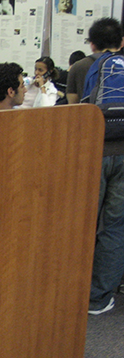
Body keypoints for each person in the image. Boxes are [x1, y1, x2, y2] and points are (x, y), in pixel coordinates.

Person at [75, 18, 124, 314]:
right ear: (121, 41)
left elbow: (75, 111)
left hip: (96, 151)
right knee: (116, 226)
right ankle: (100, 296)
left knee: (84, 223)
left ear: (92, 43)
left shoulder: (85, 66)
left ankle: (74, 288)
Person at [67, 18, 123, 104]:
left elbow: (73, 103)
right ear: (122, 42)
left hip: (93, 115)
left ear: (92, 44)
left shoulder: (79, 66)